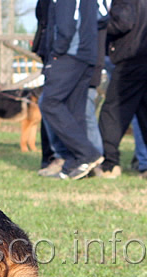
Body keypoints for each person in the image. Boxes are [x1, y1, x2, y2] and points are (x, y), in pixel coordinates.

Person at [38, 0, 103, 179]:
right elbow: (103, 17)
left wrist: (56, 52)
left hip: (68, 55)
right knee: (75, 109)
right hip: (87, 55)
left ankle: (87, 154)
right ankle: (77, 163)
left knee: (49, 103)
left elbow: (66, 25)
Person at [96, 0, 147, 179]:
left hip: (131, 59)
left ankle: (109, 165)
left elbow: (123, 22)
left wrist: (99, 23)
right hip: (140, 57)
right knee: (143, 113)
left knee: (113, 112)